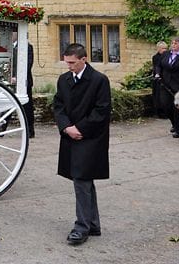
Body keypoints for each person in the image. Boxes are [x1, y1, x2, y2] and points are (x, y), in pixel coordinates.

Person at [53, 43, 111, 246]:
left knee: (81, 180)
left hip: (91, 137)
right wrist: (66, 126)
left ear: (84, 59)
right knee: (84, 180)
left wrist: (81, 128)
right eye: (66, 62)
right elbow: (58, 105)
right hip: (70, 135)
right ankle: (92, 224)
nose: (69, 66)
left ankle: (81, 227)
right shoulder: (64, 80)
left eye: (72, 63)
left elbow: (102, 110)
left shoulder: (99, 80)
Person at [11, 30, 36, 138]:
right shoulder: (11, 47)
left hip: (24, 81)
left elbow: (28, 64)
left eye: (12, 33)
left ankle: (30, 130)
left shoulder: (27, 47)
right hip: (12, 80)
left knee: (27, 106)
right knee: (9, 100)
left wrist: (18, 77)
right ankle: (1, 126)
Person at [150, 41, 169, 119]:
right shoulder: (155, 57)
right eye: (163, 48)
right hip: (158, 79)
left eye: (166, 48)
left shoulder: (168, 56)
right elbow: (157, 67)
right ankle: (159, 112)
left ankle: (166, 112)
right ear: (158, 49)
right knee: (158, 96)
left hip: (166, 79)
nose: (164, 50)